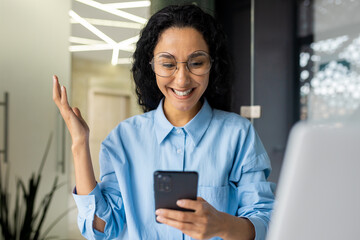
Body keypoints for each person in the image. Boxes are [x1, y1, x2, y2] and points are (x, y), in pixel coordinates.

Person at [52, 4, 275, 240]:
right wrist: (79, 144)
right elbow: (103, 227)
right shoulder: (123, 138)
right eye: (168, 64)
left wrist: (222, 224)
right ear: (152, 67)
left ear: (212, 65)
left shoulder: (238, 135)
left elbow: (266, 222)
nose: (181, 79)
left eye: (196, 63)